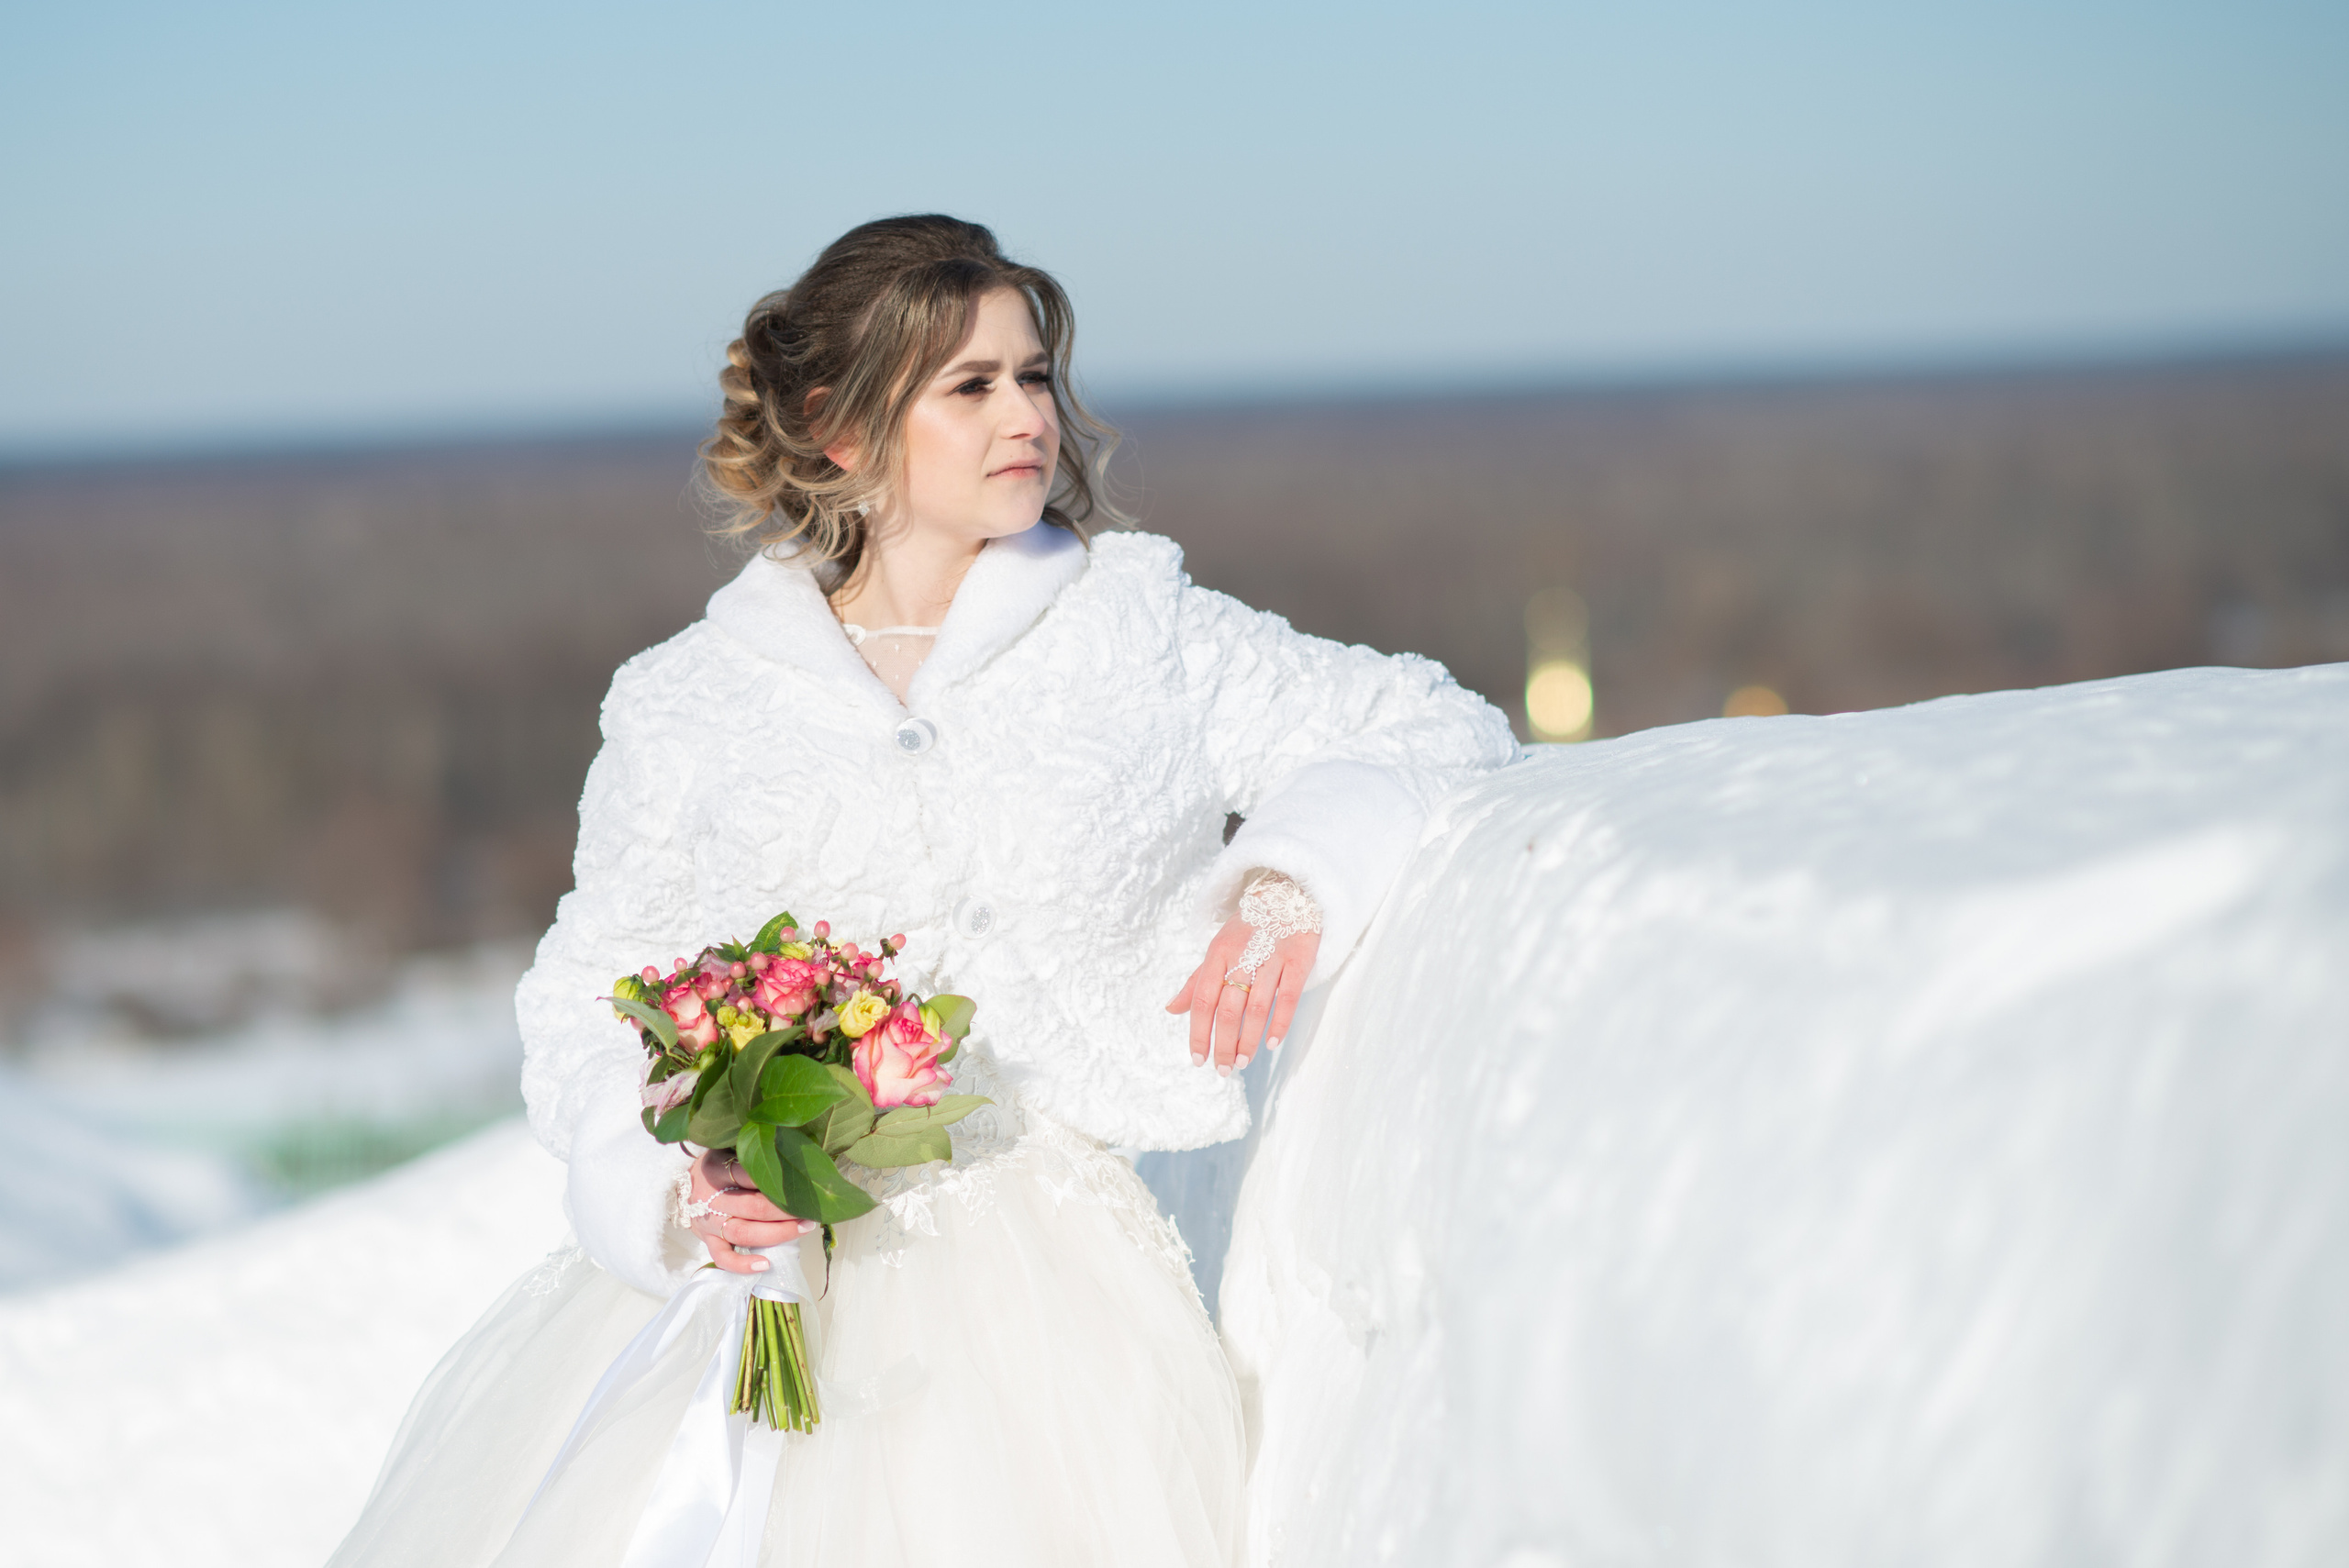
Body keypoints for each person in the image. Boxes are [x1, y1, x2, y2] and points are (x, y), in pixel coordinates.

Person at [328, 215, 1514, 1567]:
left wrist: (1287, 886)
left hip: (1054, 1319)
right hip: (749, 1304)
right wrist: (673, 1180)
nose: (1028, 414)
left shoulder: (1138, 622)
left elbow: (1427, 723)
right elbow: (589, 990)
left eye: (1033, 376)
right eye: (972, 384)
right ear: (843, 432)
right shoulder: (690, 700)